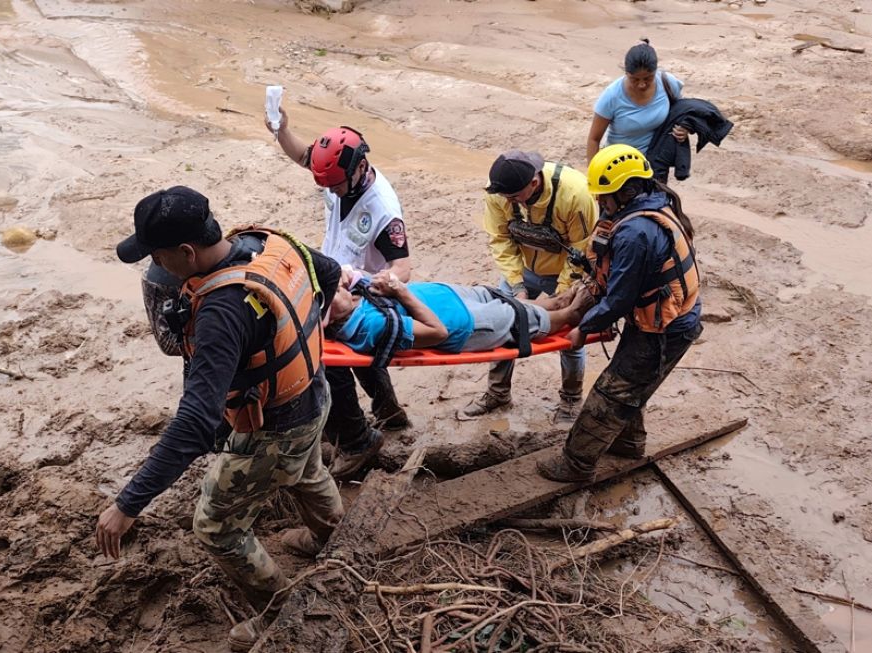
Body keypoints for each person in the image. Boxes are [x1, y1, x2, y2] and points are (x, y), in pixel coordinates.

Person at [95, 187, 344, 652]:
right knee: (308, 469)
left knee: (215, 526)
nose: (158, 266)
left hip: (277, 428)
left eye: (158, 257)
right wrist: (302, 335)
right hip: (314, 391)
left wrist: (127, 504)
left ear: (187, 252)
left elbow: (195, 423)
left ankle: (280, 613)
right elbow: (327, 272)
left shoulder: (222, 313)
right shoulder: (265, 243)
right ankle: (334, 537)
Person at [537, 144, 702, 483]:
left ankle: (576, 465)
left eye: (603, 195)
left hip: (665, 329)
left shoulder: (636, 233)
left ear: (625, 191)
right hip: (662, 319)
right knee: (631, 384)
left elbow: (620, 298)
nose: (599, 202)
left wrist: (583, 329)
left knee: (611, 393)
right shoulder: (652, 203)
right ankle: (629, 444)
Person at [269, 107, 412, 478]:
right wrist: (282, 131)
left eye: (334, 185)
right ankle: (389, 411)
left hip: (361, 293)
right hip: (332, 279)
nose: (330, 190)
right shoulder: (339, 175)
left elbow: (402, 268)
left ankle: (355, 439)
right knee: (360, 355)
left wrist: (368, 282)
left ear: (360, 168)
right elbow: (305, 157)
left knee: (328, 359)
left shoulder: (382, 210)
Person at [461, 150, 597, 424]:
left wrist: (561, 298)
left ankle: (571, 399)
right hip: (524, 269)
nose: (507, 202)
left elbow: (582, 248)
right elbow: (500, 239)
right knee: (501, 325)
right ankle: (498, 393)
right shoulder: (499, 191)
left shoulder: (576, 194)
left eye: (513, 198)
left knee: (568, 331)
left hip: (567, 271)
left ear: (534, 183)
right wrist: (517, 287)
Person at [327, 269, 594, 357]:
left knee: (515, 304)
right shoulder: (371, 328)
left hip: (453, 298)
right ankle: (573, 312)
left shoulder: (350, 302)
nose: (339, 287)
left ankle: (560, 302)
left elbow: (343, 274)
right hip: (465, 325)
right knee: (525, 319)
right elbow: (437, 333)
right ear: (331, 316)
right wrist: (401, 291)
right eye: (333, 294)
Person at [586, 39, 687, 165]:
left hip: (655, 161)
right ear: (626, 73)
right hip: (620, 162)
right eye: (634, 79)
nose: (641, 84)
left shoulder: (668, 84)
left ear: (656, 71)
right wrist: (594, 172)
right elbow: (594, 139)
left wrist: (683, 128)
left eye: (648, 78)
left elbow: (681, 111)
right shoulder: (611, 96)